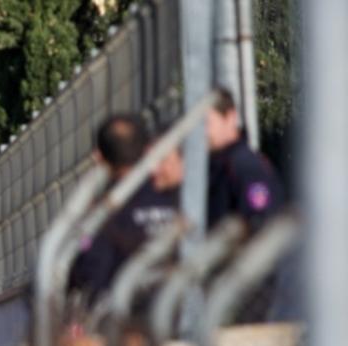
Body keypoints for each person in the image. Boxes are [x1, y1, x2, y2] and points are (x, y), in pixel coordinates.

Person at [70, 113, 182, 305]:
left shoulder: (106, 213)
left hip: (126, 320)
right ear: (146, 150)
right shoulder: (175, 200)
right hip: (182, 309)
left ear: (101, 157)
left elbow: (87, 271)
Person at [207, 87, 286, 234]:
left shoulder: (246, 167)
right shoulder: (217, 165)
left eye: (207, 123)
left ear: (230, 117)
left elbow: (261, 225)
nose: (201, 132)